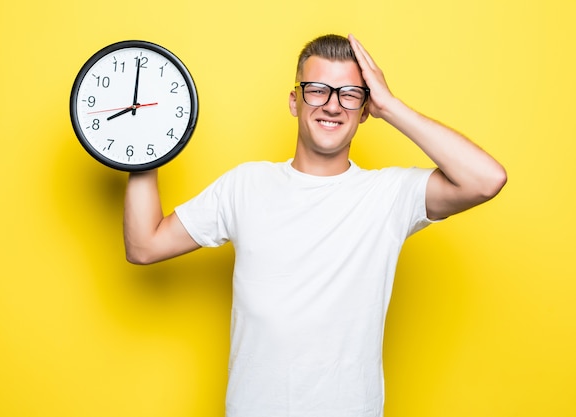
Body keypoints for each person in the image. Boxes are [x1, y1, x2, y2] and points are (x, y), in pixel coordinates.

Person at [123, 34, 506, 417]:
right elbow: (144, 246)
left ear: (365, 108)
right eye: (317, 90)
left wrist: (391, 105)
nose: (333, 106)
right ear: (295, 100)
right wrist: (145, 145)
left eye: (350, 94)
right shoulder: (245, 185)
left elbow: (485, 180)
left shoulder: (388, 195)